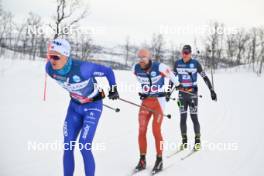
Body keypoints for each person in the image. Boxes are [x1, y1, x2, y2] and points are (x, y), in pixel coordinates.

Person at [45, 38, 119, 176]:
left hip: (93, 107)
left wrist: (113, 88)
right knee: (68, 146)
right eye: (49, 56)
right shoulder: (49, 69)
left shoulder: (83, 68)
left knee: (84, 146)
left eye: (56, 56)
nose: (52, 60)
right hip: (74, 107)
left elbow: (108, 71)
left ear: (66, 56)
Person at [132, 48, 180, 174]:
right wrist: (144, 93)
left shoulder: (159, 67)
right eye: (139, 57)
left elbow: (172, 76)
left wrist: (177, 85)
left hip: (159, 102)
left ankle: (159, 159)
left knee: (156, 130)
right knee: (141, 130)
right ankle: (142, 160)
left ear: (149, 58)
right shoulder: (135, 69)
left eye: (144, 58)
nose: (141, 60)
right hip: (146, 102)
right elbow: (143, 82)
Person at [168, 45, 217, 151]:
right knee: (182, 118)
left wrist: (211, 90)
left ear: (190, 54)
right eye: (183, 52)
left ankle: (197, 141)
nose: (185, 55)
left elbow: (204, 77)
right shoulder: (177, 63)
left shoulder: (196, 64)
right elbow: (172, 78)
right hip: (181, 94)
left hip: (192, 94)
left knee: (194, 117)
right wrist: (168, 91)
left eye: (187, 53)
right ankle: (184, 141)